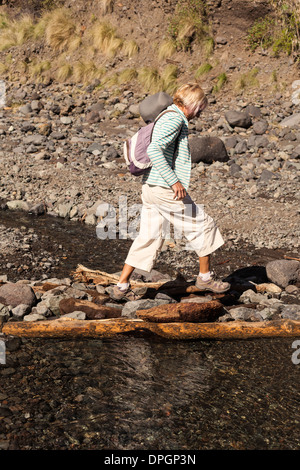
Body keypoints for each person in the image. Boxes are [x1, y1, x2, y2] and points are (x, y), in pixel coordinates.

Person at [111, 83, 230, 301]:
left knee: (149, 237)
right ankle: (205, 277)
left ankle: (121, 286)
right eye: (201, 107)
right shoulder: (174, 118)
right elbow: (154, 150)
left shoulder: (167, 115)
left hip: (151, 188)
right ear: (193, 104)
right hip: (164, 189)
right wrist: (174, 182)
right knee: (204, 225)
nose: (201, 112)